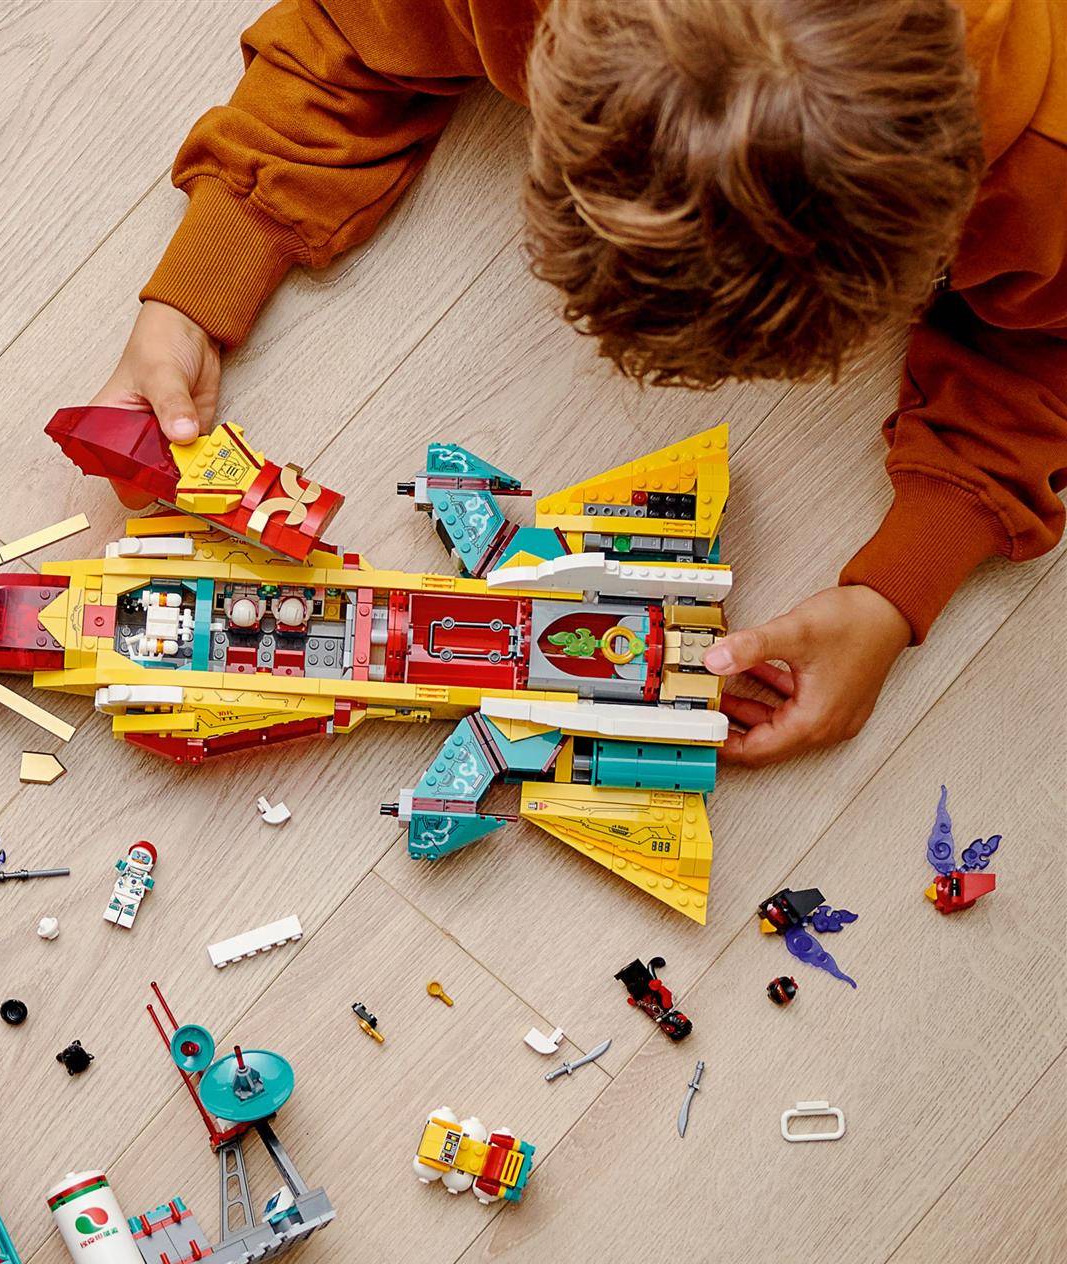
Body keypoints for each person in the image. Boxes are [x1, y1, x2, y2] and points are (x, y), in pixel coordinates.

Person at [88, 0, 1064, 766]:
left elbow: (1043, 356)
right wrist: (197, 289)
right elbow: (351, 34)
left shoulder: (1046, 178)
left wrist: (899, 588)